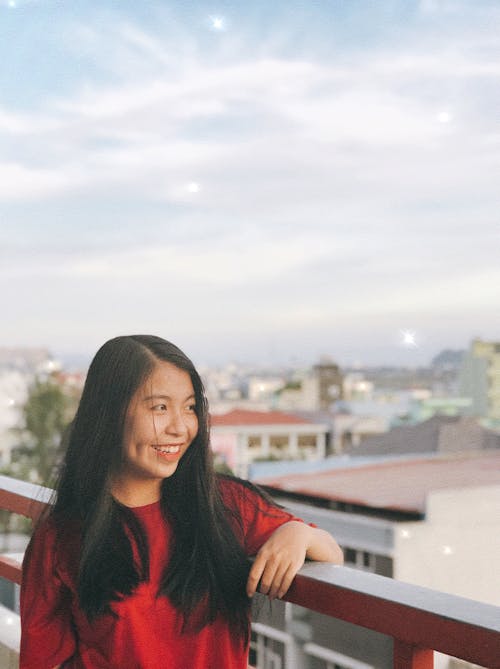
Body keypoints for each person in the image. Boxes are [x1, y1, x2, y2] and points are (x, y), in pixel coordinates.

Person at [20, 335, 343, 669]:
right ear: (110, 413)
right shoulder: (62, 536)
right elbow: (41, 659)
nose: (180, 427)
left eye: (189, 407)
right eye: (159, 407)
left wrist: (297, 533)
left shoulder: (226, 505)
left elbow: (331, 555)